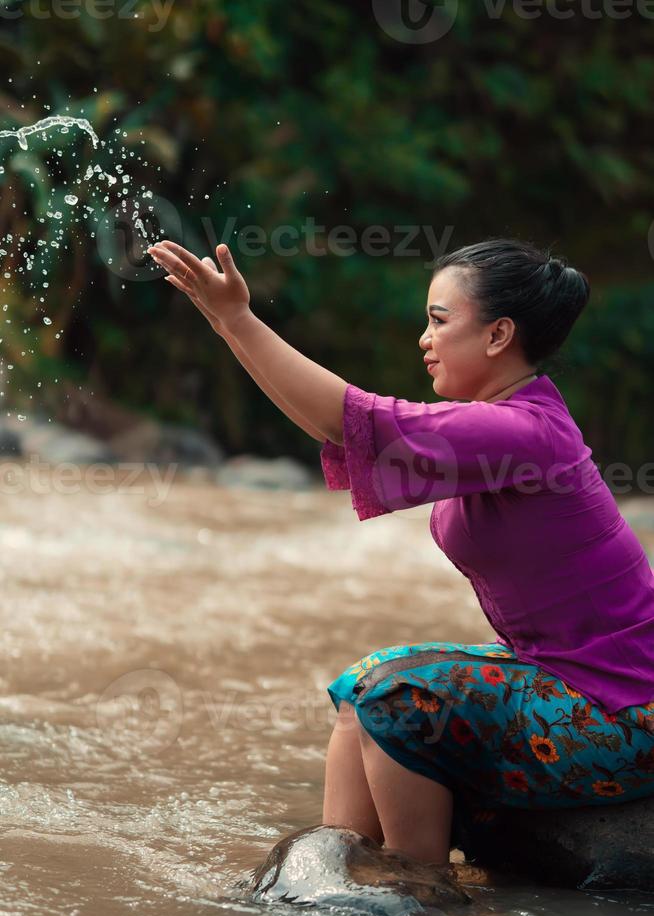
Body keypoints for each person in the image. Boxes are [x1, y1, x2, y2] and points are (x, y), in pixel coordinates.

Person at [148, 236, 654, 869]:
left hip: (625, 710)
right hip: (582, 682)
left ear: (498, 336)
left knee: (398, 697)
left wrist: (236, 320)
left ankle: (416, 891)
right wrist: (231, 326)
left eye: (440, 321)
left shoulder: (520, 430)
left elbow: (349, 422)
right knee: (362, 686)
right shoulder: (507, 421)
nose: (424, 337)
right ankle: (337, 876)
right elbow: (337, 425)